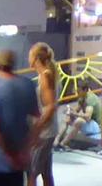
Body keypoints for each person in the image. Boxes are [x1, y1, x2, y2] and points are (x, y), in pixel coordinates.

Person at [0, 49, 41, 186]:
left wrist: (10, 155)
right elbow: (38, 119)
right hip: (19, 161)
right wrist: (25, 149)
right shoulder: (27, 85)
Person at [27, 43, 60, 186]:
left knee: (32, 173)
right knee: (46, 172)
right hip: (48, 130)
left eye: (30, 55)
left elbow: (50, 107)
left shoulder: (45, 77)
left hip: (44, 132)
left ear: (35, 59)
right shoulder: (47, 75)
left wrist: (37, 128)